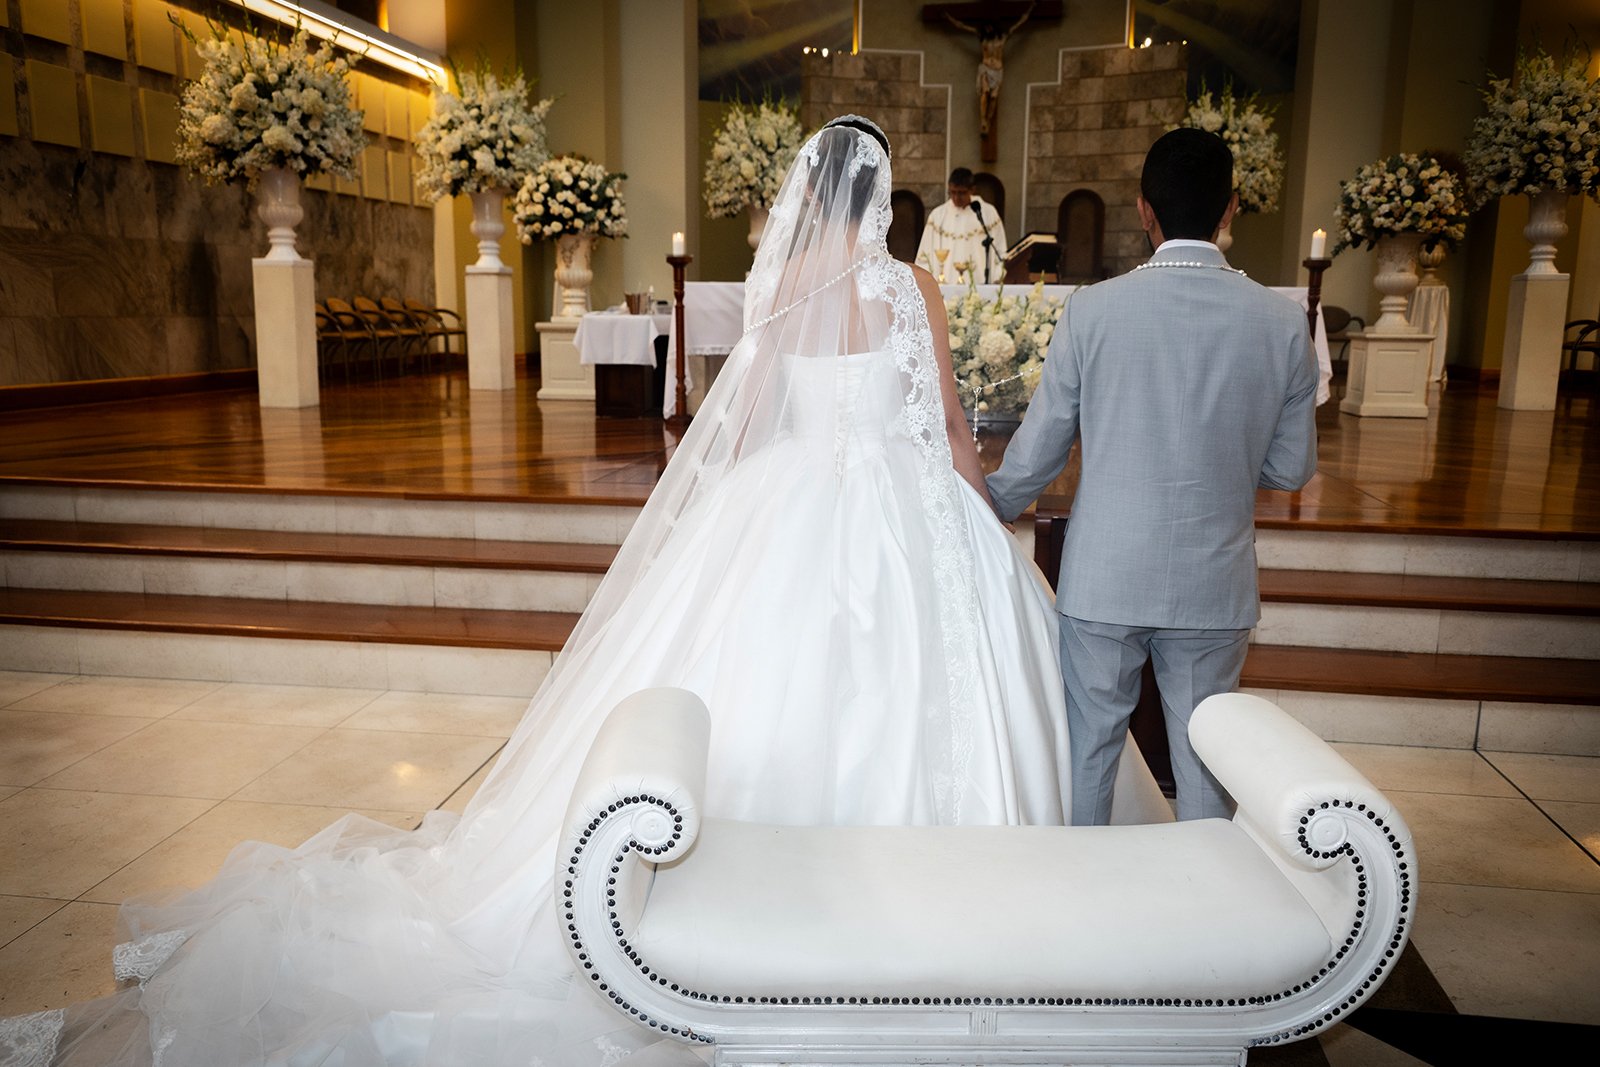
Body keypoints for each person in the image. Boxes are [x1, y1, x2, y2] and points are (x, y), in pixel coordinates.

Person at [5, 116, 1164, 1067]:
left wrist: (731, 514)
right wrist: (983, 517)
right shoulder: (914, 286)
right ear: (882, 199)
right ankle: (958, 923)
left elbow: (745, 425)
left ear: (809, 197)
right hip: (908, 514)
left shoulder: (785, 285)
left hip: (792, 497)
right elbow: (947, 426)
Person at [986, 127, 1319, 827]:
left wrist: (986, 503)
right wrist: (1225, 457)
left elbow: (1041, 449)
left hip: (1105, 575)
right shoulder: (1283, 322)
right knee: (1206, 760)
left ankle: (1080, 884)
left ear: (1143, 209)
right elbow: (1292, 468)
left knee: (1087, 754)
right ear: (1230, 209)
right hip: (1214, 580)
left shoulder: (1093, 309)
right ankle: (1203, 888)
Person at [915, 167, 1007, 284]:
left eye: (961, 193)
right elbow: (925, 253)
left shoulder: (988, 213)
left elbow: (999, 247)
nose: (956, 198)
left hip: (978, 282)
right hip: (945, 283)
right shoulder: (938, 216)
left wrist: (997, 276)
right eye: (952, 192)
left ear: (972, 190)